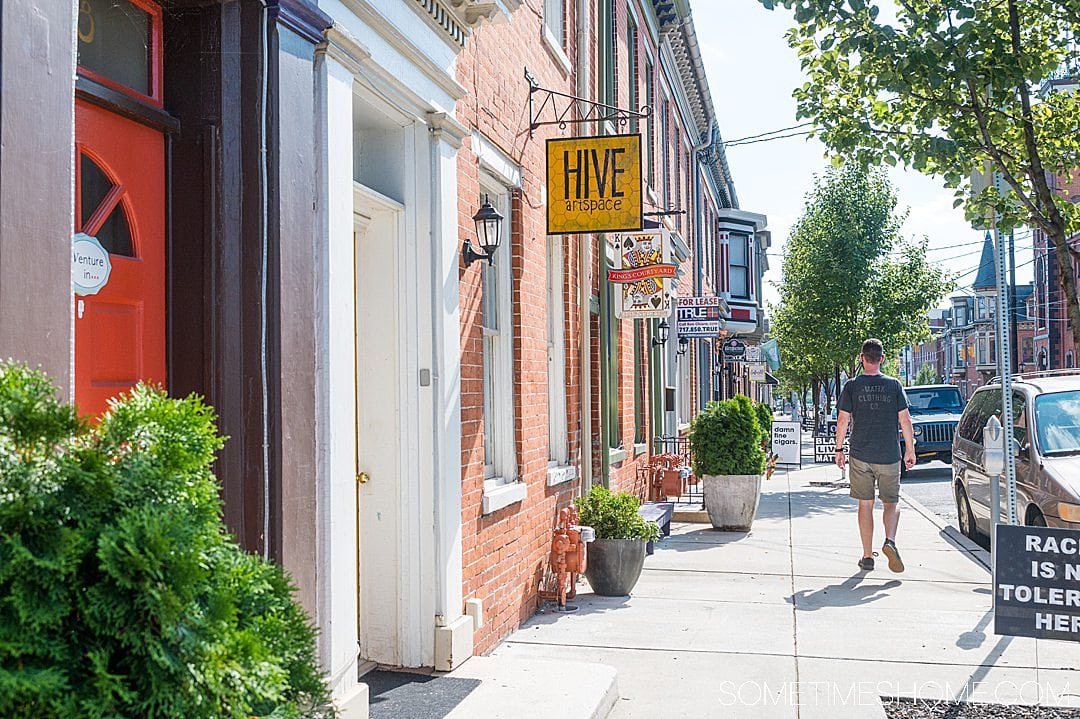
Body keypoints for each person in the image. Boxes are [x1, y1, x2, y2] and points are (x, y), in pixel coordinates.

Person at [835, 339, 916, 572]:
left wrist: (839, 448)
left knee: (865, 504)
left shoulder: (851, 386)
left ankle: (867, 555)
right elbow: (905, 420)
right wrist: (909, 450)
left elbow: (843, 420)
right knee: (891, 502)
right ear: (882, 358)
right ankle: (890, 541)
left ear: (862, 358)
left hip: (861, 454)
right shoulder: (894, 385)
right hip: (889, 454)